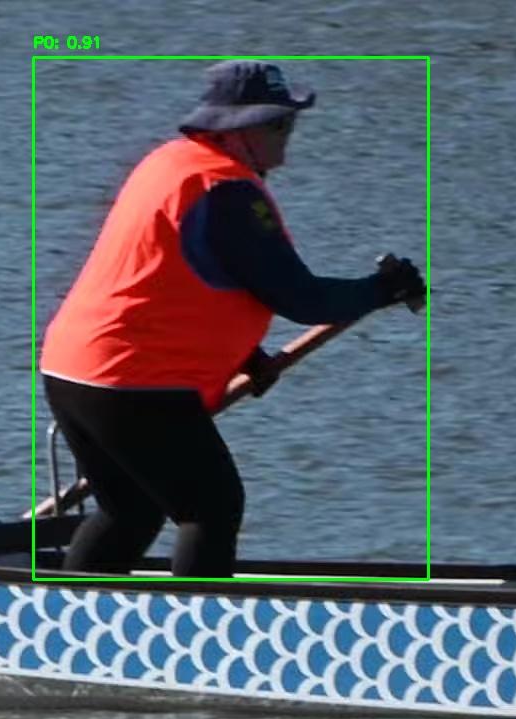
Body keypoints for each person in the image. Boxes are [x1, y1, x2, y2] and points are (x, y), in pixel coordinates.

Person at [37, 60, 424, 580]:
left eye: (290, 122)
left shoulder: (171, 164)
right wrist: (383, 289)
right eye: (278, 124)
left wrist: (243, 354)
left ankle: (70, 625)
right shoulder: (226, 192)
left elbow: (169, 274)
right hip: (131, 380)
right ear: (236, 130)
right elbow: (303, 299)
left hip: (73, 370)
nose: (289, 136)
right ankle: (202, 644)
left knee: (130, 509)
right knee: (212, 508)